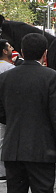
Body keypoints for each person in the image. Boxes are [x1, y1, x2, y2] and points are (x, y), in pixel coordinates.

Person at [0, 33, 56, 193]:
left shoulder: (5, 78)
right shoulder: (52, 77)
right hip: (42, 149)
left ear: (22, 52)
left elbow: (1, 113)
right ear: (45, 53)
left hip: (13, 149)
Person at [0, 39, 14, 183]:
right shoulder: (10, 69)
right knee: (3, 140)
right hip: (4, 111)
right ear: (4, 51)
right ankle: (3, 171)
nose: (12, 48)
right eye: (9, 47)